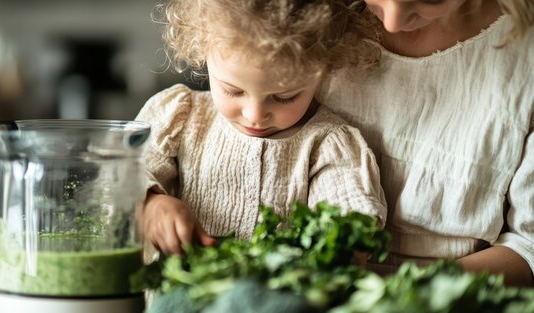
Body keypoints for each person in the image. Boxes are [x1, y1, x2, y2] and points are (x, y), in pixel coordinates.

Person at [135, 0, 387, 255]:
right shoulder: (180, 115)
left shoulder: (327, 144)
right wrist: (151, 204)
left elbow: (350, 219)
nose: (255, 115)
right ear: (202, 49)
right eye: (233, 90)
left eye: (284, 96)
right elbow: (122, 175)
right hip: (179, 289)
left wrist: (341, 250)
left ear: (325, 70)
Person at [316, 0, 534, 286]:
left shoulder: (525, 55)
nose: (392, 22)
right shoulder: (314, 16)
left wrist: (393, 292)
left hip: (452, 306)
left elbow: (527, 247)